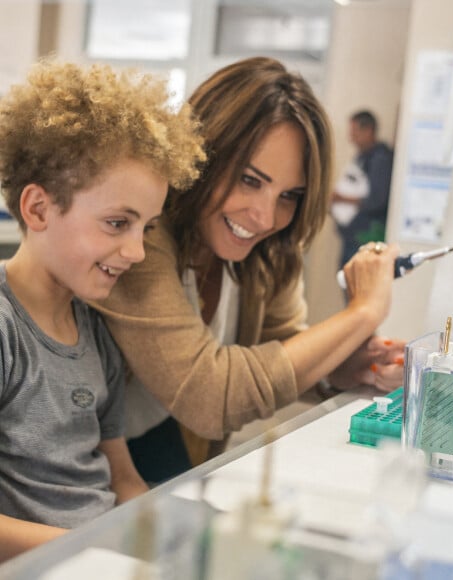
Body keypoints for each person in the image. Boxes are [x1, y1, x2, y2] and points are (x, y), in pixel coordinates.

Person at [92, 57, 406, 484]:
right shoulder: (141, 240)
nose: (263, 216)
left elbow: (281, 346)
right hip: (94, 470)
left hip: (174, 455)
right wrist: (362, 312)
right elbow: (209, 396)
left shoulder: (268, 251)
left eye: (289, 195)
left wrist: (338, 368)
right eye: (249, 180)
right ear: (200, 154)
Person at [0, 58, 204, 562]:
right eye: (118, 224)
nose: (136, 252)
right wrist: (95, 547)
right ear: (38, 209)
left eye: (147, 228)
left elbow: (121, 477)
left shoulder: (94, 330)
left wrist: (160, 538)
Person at [332, 110, 395, 269]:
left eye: (354, 132)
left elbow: (377, 200)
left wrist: (341, 199)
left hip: (364, 238)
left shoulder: (380, 159)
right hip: (352, 236)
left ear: (368, 130)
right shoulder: (362, 157)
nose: (351, 137)